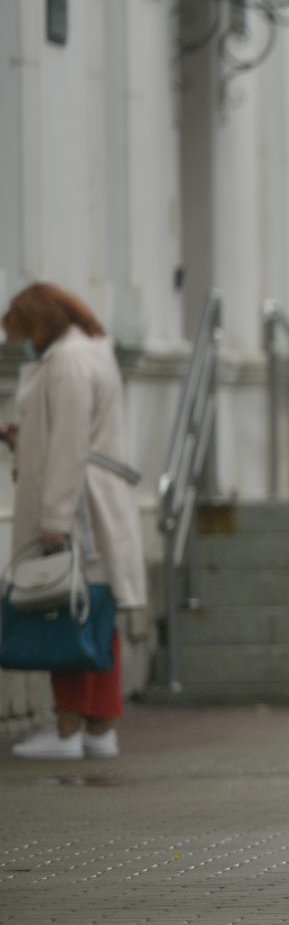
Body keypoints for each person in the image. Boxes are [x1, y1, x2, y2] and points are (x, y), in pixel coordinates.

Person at [4, 283, 147, 760]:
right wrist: (21, 437)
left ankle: (66, 732)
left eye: (22, 330)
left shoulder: (65, 362)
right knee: (96, 616)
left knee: (61, 614)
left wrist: (54, 518)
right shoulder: (93, 352)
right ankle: (100, 729)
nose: (21, 341)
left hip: (77, 505)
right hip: (98, 501)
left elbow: (67, 444)